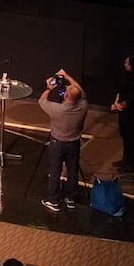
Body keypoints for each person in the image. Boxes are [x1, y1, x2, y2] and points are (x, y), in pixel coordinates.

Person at [37, 67, 88, 212]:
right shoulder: (83, 105)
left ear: (65, 96)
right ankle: (71, 198)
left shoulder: (57, 109)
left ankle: (53, 200)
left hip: (57, 143)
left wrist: (49, 88)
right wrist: (67, 76)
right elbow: (79, 90)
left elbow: (41, 100)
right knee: (72, 171)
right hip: (74, 144)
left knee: (55, 171)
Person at [111, 53, 134, 173]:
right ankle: (125, 159)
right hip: (123, 111)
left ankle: (131, 163)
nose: (125, 64)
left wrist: (124, 104)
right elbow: (121, 89)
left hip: (133, 112)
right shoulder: (127, 75)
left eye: (127, 63)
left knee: (131, 137)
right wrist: (116, 102)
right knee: (125, 135)